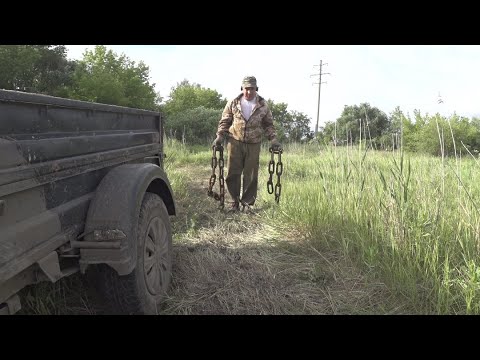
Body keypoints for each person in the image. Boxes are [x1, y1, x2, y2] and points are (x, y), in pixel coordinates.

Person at [213, 75, 282, 212]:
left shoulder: (262, 105)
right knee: (233, 173)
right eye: (246, 89)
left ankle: (247, 204)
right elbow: (225, 121)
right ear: (242, 88)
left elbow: (268, 124)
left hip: (254, 143)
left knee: (250, 175)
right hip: (235, 142)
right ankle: (234, 202)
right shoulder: (233, 103)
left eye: (252, 89)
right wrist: (219, 137)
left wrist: (273, 139)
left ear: (256, 89)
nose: (249, 92)